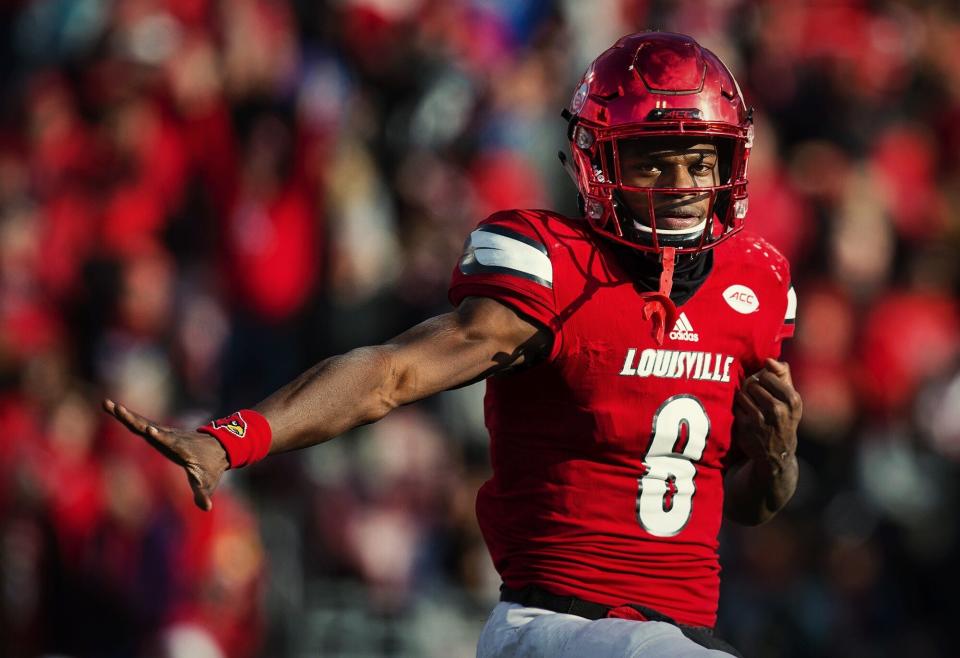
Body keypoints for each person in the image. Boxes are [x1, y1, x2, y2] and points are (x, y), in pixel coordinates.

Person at [103, 32, 801, 657]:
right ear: (599, 162)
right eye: (653, 162)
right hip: (558, 627)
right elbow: (391, 375)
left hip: (679, 631)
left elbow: (743, 501)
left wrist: (777, 461)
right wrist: (234, 437)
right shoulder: (557, 271)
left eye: (696, 161)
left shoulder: (757, 285)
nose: (680, 186)